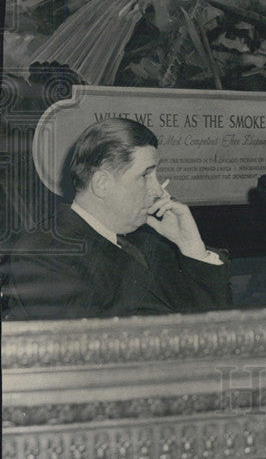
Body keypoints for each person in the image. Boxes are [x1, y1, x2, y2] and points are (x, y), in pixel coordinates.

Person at [2, 117, 230, 320]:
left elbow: (216, 328)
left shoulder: (149, 242)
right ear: (102, 184)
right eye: (145, 176)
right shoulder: (46, 253)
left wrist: (192, 248)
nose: (159, 190)